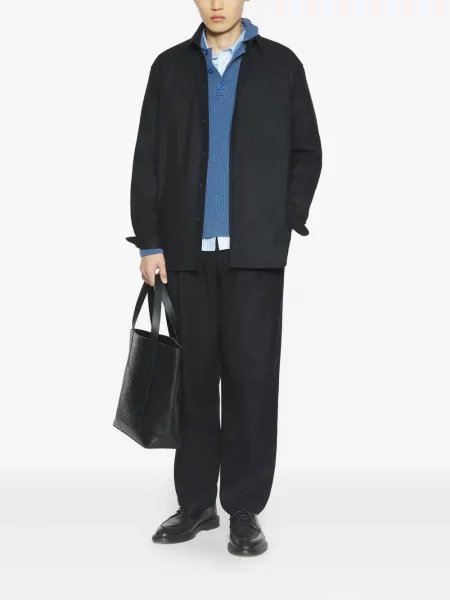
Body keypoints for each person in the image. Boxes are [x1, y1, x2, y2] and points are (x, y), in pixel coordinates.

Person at [125, 0, 322, 557]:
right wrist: (151, 241)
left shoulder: (281, 65)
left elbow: (307, 151)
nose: (216, 4)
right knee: (192, 384)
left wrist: (283, 220)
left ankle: (243, 508)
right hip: (183, 256)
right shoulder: (168, 68)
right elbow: (148, 156)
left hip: (255, 256)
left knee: (251, 383)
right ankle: (196, 505)